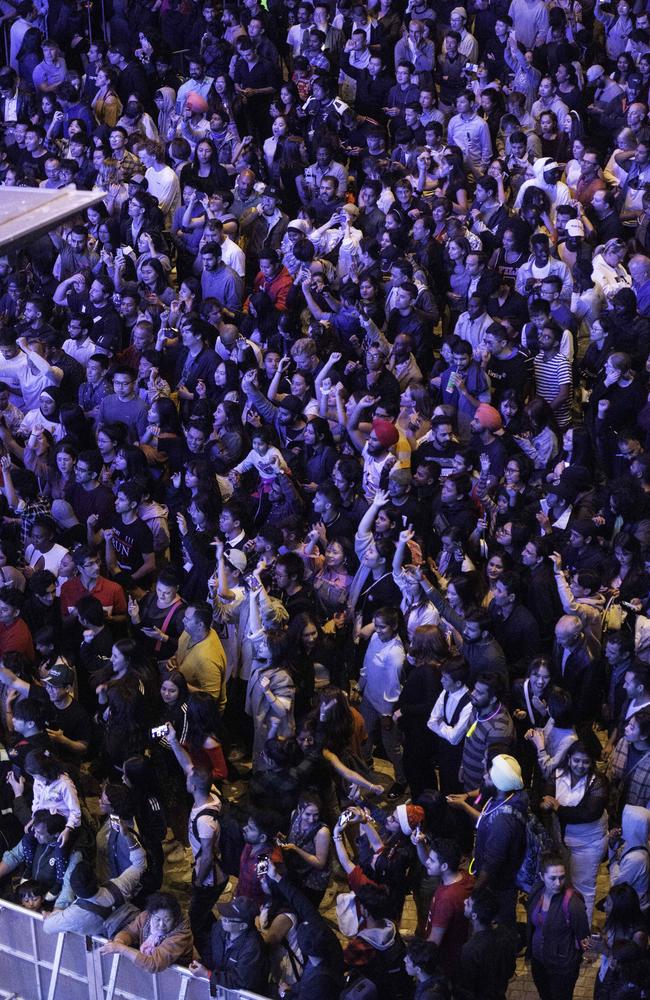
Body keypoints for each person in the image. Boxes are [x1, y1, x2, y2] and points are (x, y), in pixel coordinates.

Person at [526, 853, 590, 1000]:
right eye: (552, 878)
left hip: (562, 967)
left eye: (562, 877)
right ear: (542, 876)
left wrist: (574, 961)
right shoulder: (537, 891)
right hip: (539, 962)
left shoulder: (573, 904)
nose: (558, 883)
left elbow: (583, 937)